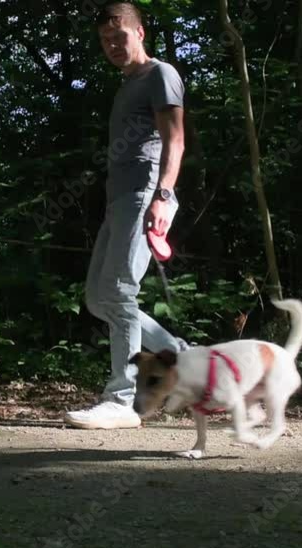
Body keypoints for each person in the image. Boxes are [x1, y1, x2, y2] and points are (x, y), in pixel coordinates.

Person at [64, 2, 188, 430]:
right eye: (105, 40)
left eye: (119, 37)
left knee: (118, 292)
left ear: (140, 33)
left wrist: (163, 197)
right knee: (98, 299)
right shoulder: (126, 86)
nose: (113, 46)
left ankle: (122, 400)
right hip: (119, 202)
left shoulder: (160, 74)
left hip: (144, 196)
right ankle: (183, 359)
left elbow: (175, 140)